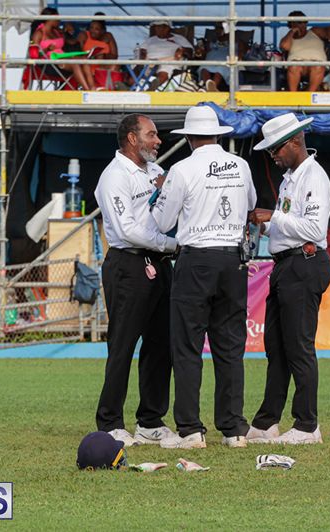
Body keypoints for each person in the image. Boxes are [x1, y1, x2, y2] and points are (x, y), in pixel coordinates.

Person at [151, 106, 256, 449]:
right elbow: (251, 203)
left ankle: (190, 430)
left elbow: (162, 222)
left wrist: (161, 191)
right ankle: (234, 428)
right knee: (230, 347)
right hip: (232, 259)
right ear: (217, 134)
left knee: (187, 347)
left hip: (196, 259)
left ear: (189, 138)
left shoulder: (182, 169)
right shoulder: (241, 165)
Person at [246, 112, 330, 445]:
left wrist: (274, 216)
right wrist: (267, 225)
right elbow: (289, 225)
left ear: (295, 141)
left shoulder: (314, 177)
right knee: (277, 348)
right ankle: (267, 421)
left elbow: (314, 229)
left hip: (304, 262)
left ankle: (308, 425)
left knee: (298, 347)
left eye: (276, 149)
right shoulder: (292, 178)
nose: (273, 156)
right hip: (286, 263)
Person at [93, 114, 179, 447]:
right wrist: (173, 245)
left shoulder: (157, 172)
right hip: (127, 266)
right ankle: (110, 421)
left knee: (162, 345)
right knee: (122, 345)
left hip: (160, 264)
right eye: (152, 135)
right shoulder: (114, 177)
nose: (158, 141)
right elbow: (127, 229)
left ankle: (150, 421)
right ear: (132, 138)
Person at [31, 7, 94, 90]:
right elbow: (34, 54)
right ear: (50, 18)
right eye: (57, 18)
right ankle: (87, 90)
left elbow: (72, 42)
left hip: (63, 57)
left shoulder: (57, 32)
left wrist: (66, 31)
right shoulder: (39, 33)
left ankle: (93, 88)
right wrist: (47, 49)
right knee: (75, 64)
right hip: (50, 64)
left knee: (85, 59)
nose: (59, 20)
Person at [280, 11, 330, 92]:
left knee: (318, 67)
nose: (301, 24)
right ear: (291, 24)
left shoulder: (314, 31)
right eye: (297, 22)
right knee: (294, 67)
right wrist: (292, 31)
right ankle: (293, 95)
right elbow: (284, 46)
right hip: (297, 64)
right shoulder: (289, 38)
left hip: (316, 63)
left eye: (303, 22)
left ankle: (309, 94)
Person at [138, 20, 194, 88]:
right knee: (136, 68)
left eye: (159, 27)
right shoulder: (150, 40)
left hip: (169, 61)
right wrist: (142, 56)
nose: (157, 29)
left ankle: (152, 88)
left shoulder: (179, 38)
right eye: (156, 27)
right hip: (149, 62)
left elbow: (190, 52)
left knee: (164, 70)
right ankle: (127, 87)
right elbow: (142, 50)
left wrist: (182, 50)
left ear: (167, 28)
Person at [199, 22, 247, 92]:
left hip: (224, 62)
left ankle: (211, 88)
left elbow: (243, 51)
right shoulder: (212, 42)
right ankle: (209, 86)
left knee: (220, 69)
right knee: (204, 68)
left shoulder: (237, 42)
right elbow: (204, 53)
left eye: (220, 28)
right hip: (211, 61)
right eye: (216, 29)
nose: (217, 31)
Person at [79, 14, 123, 89]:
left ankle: (110, 89)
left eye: (97, 29)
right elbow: (78, 53)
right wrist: (91, 56)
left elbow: (115, 56)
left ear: (102, 31)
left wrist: (104, 55)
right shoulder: (84, 35)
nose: (93, 30)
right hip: (88, 68)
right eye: (91, 27)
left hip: (103, 68)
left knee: (115, 65)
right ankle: (100, 87)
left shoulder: (108, 36)